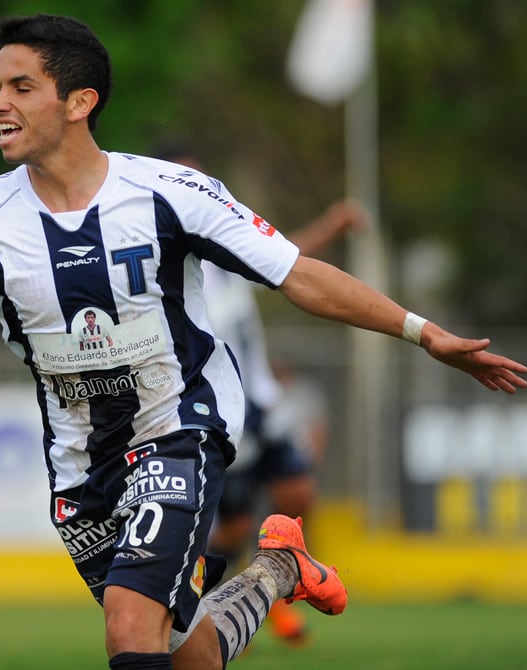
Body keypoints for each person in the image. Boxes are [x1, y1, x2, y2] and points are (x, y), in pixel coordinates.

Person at [0, 14, 527, 670]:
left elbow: (297, 274)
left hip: (179, 427)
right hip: (79, 466)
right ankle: (280, 567)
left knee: (129, 627)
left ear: (79, 100)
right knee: (183, 654)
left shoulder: (169, 194)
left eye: (20, 86)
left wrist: (424, 334)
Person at [156, 144, 364, 644]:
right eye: (184, 180)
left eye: (201, 180)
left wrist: (333, 227)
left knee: (298, 493)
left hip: (261, 404)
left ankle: (285, 576)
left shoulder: (224, 247)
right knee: (229, 529)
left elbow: (287, 258)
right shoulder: (166, 265)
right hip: (217, 410)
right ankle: (224, 607)